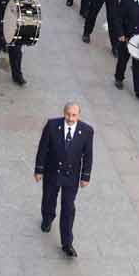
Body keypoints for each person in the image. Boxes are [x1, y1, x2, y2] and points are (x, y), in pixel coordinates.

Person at [34, 101, 94, 258]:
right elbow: (43, 148)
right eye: (68, 114)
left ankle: (67, 243)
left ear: (78, 115)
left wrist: (85, 176)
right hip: (53, 171)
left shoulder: (86, 131)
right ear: (64, 113)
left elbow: (88, 156)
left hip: (71, 176)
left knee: (68, 208)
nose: (70, 118)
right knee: (49, 198)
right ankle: (47, 218)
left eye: (74, 115)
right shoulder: (52, 126)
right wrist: (39, 170)